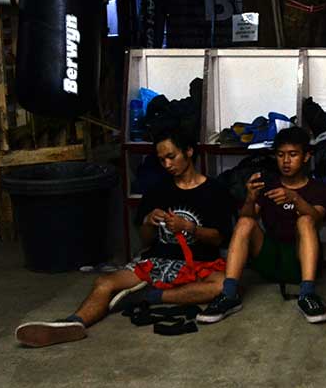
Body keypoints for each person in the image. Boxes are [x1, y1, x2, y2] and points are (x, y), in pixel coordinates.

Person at [14, 127, 235, 348]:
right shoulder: (158, 190)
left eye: (171, 157)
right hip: (157, 260)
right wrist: (149, 221)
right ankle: (75, 323)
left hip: (197, 263)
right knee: (105, 283)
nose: (167, 165)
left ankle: (150, 296)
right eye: (161, 160)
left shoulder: (214, 190)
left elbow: (218, 239)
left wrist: (189, 227)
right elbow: (146, 240)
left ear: (188, 151)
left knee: (223, 286)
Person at [197, 126, 326, 324]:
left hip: (301, 261)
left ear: (306, 157)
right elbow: (246, 218)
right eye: (280, 155)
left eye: (293, 155)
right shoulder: (268, 184)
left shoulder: (318, 189)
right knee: (245, 222)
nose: (286, 161)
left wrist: (294, 198)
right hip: (270, 258)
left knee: (304, 220)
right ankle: (229, 294)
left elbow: (317, 218)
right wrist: (250, 198)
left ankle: (308, 294)